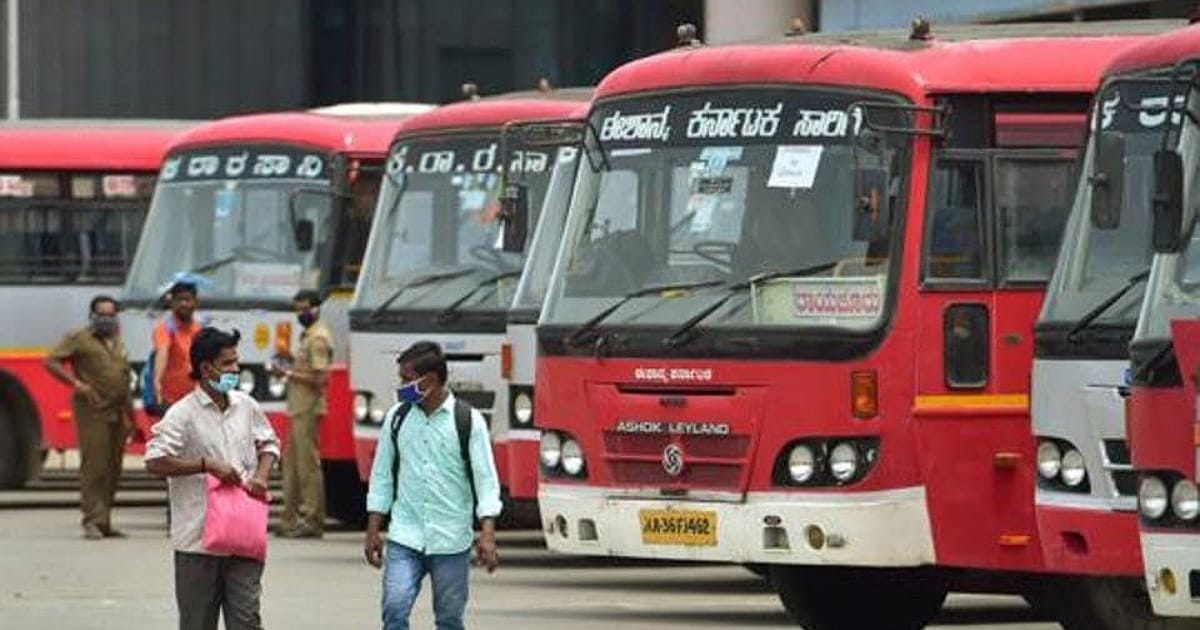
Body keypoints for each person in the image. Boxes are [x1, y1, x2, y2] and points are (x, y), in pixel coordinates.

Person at [145, 327, 280, 630]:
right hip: (198, 542)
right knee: (197, 623)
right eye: (228, 363)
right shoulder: (182, 414)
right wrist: (206, 465)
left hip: (244, 536)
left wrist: (261, 475)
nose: (235, 369)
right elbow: (154, 461)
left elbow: (270, 443)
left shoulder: (246, 406)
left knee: (247, 620)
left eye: (236, 362)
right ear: (206, 368)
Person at [364, 341, 502, 630]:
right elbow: (382, 477)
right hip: (405, 536)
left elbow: (486, 481)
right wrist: (374, 529)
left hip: (451, 540)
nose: (401, 386)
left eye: (406, 379)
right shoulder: (396, 418)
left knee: (450, 619)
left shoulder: (468, 421)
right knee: (394, 607)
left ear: (429, 381)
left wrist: (487, 535)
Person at [43, 295, 136, 540]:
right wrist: (77, 385)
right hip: (92, 411)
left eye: (111, 314)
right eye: (101, 314)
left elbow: (124, 381)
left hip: (117, 411)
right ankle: (91, 520)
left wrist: (131, 418)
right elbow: (51, 361)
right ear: (92, 316)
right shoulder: (79, 338)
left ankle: (105, 520)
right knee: (95, 466)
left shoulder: (117, 342)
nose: (106, 318)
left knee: (113, 467)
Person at [273, 289, 333, 538]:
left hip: (307, 408)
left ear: (317, 308)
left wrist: (287, 374)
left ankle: (312, 519)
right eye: (297, 309)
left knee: (307, 467)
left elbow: (321, 378)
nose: (301, 313)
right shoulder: (307, 336)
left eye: (305, 308)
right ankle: (289, 518)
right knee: (291, 466)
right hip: (298, 408)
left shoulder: (318, 338)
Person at [153, 281, 203, 412]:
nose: (183, 304)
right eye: (179, 300)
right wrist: (157, 380)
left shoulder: (200, 329)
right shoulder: (164, 328)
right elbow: (162, 352)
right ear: (171, 303)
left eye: (187, 299)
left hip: (197, 400)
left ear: (195, 302)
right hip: (170, 401)